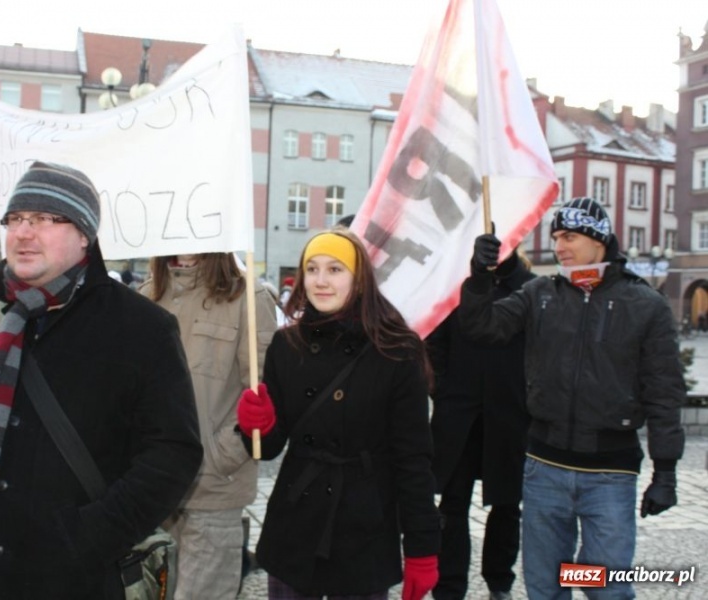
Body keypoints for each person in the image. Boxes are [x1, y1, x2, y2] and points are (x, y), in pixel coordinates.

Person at [0, 161, 203, 599]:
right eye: (15, 219)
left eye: (46, 219)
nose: (24, 233)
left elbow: (172, 453)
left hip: (74, 580)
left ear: (84, 234)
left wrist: (90, 538)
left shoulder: (140, 327)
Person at [459, 197, 685, 599]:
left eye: (570, 236)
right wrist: (479, 277)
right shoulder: (540, 293)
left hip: (610, 476)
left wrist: (665, 472)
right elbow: (483, 328)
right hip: (544, 468)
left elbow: (664, 392)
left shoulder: (645, 304)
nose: (559, 245)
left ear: (599, 239)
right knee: (546, 588)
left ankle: (582, 577)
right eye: (556, 236)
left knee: (605, 588)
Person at [237, 229, 441, 599]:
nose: (320, 280)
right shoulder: (286, 345)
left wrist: (422, 548)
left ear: (358, 279)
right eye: (312, 269)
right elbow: (268, 448)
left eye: (334, 269)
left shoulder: (396, 351)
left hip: (364, 526)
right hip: (295, 523)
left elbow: (413, 459)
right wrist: (258, 426)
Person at [140, 252, 278, 599]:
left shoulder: (248, 297)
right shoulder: (146, 295)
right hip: (150, 491)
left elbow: (262, 392)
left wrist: (218, 457)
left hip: (212, 489)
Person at [426, 248, 534, 600]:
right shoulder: (458, 285)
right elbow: (434, 342)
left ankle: (499, 582)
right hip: (459, 415)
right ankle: (449, 587)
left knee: (506, 505)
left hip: (510, 416)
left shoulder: (531, 289)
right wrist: (443, 387)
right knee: (452, 505)